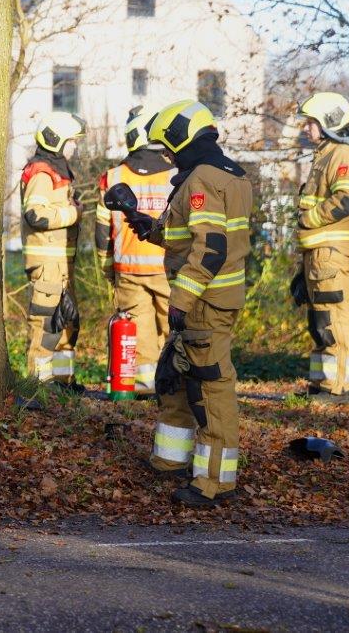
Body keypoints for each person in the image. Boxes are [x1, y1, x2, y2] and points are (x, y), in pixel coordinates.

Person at [128, 100, 252, 507]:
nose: (166, 156)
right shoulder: (228, 174)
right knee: (177, 379)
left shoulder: (202, 179)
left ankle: (214, 483)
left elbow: (210, 249)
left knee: (210, 390)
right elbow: (192, 236)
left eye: (167, 148)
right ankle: (170, 460)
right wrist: (148, 226)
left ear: (182, 138)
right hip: (209, 298)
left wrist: (180, 301)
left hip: (203, 302)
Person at [292, 91, 349, 404]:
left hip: (331, 254)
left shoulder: (344, 154)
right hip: (318, 254)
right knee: (320, 321)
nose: (306, 127)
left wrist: (309, 218)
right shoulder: (325, 154)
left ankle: (338, 389)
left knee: (333, 319)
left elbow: (347, 199)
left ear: (329, 122)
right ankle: (323, 384)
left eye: (311, 122)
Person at [95, 104, 174, 395]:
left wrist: (107, 269)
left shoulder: (113, 177)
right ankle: (174, 386)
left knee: (138, 332)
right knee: (174, 328)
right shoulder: (177, 174)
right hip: (168, 267)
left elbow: (102, 232)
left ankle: (144, 384)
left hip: (128, 269)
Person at [20, 111, 86, 389]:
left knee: (67, 322)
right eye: (72, 141)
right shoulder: (42, 172)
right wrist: (73, 213)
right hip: (47, 263)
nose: (75, 147)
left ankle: (63, 381)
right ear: (56, 140)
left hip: (61, 265)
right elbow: (36, 214)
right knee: (46, 325)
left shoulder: (58, 171)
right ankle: (40, 385)